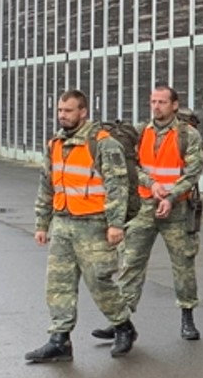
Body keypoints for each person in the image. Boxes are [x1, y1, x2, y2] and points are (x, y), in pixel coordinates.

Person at [25, 90, 138, 362]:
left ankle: (123, 326)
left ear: (83, 112)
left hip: (94, 225)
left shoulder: (102, 143)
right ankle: (59, 340)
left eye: (69, 110)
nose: (63, 115)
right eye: (60, 110)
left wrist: (115, 224)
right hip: (64, 223)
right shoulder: (55, 144)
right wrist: (42, 223)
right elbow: (46, 185)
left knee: (99, 282)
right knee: (58, 283)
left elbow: (117, 187)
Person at [103, 85, 203, 341]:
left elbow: (192, 172)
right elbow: (130, 164)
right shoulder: (139, 132)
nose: (156, 106)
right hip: (143, 206)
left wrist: (170, 196)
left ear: (174, 105)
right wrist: (151, 184)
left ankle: (187, 318)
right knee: (131, 262)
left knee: (183, 265)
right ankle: (121, 321)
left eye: (161, 102)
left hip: (178, 208)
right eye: (153, 101)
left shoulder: (188, 135)